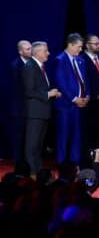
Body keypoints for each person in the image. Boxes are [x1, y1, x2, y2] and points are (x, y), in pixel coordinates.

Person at [23, 41, 60, 178]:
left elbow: (40, 88)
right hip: (35, 113)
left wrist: (52, 92)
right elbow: (29, 91)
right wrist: (48, 94)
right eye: (46, 51)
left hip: (43, 112)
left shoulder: (40, 66)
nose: (48, 53)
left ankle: (38, 172)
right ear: (37, 52)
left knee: (38, 146)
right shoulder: (30, 66)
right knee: (32, 145)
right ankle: (32, 173)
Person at [52, 33, 89, 165]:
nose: (81, 50)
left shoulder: (80, 60)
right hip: (65, 106)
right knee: (63, 137)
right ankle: (62, 166)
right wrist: (74, 99)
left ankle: (75, 165)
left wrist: (86, 96)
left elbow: (84, 80)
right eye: (79, 47)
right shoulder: (60, 60)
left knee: (77, 137)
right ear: (70, 45)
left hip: (79, 106)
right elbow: (60, 82)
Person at [81, 34, 99, 157]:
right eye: (96, 43)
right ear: (87, 45)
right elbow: (83, 81)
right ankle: (90, 162)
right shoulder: (81, 59)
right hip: (89, 104)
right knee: (90, 135)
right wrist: (95, 95)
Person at [5, 40, 31, 165]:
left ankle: (27, 162)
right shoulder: (15, 66)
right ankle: (18, 164)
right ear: (20, 51)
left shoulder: (33, 64)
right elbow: (18, 90)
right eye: (27, 49)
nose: (30, 50)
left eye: (31, 48)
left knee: (29, 138)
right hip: (20, 109)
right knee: (19, 138)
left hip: (31, 108)